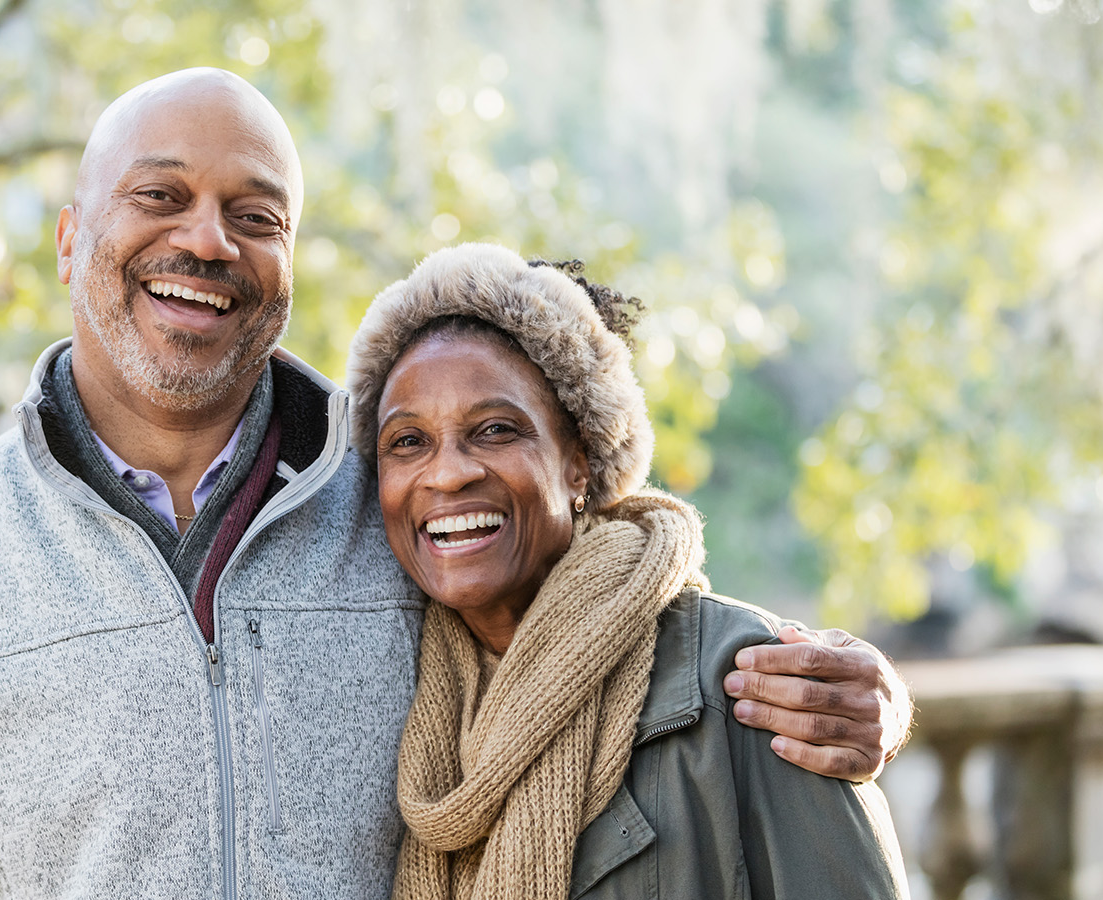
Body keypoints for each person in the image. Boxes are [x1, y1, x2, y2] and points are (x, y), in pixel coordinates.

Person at [0, 70, 909, 899]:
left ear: (288, 263)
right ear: (67, 239)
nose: (206, 242)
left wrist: (870, 699)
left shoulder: (400, 500)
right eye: (160, 196)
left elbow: (610, 603)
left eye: (256, 215)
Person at [346, 243, 909, 899]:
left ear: (578, 461)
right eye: (407, 441)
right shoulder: (380, 681)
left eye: (496, 429)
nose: (447, 473)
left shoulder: (746, 685)